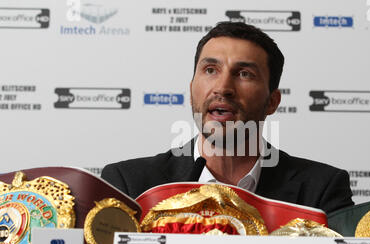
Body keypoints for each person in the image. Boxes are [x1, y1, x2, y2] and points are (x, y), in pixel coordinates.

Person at [101, 21, 354, 214]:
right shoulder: (129, 185)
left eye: (244, 74)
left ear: (272, 102)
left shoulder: (321, 190)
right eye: (210, 70)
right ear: (191, 90)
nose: (223, 87)